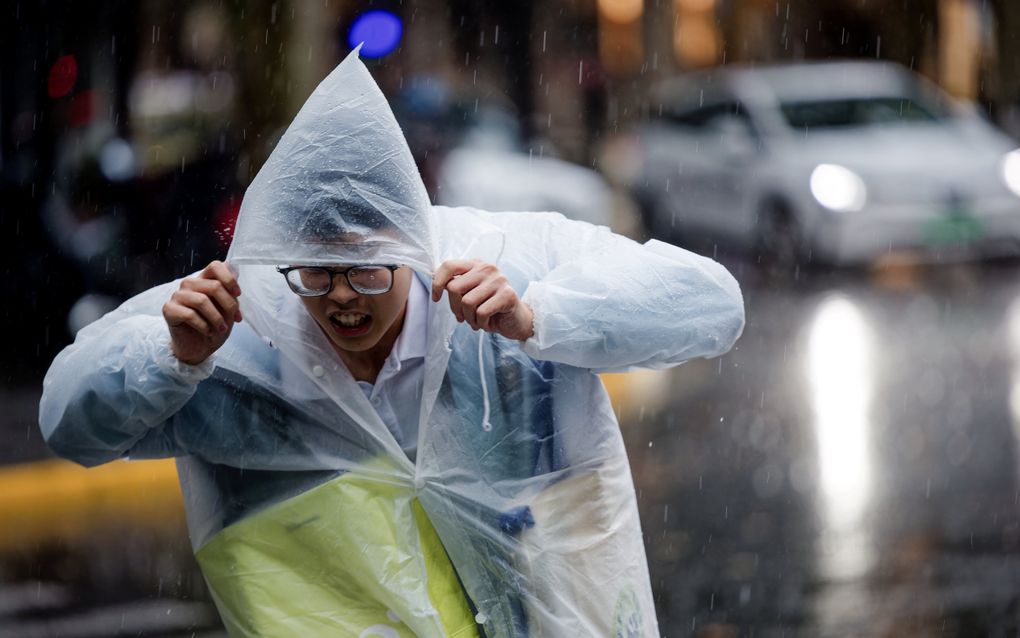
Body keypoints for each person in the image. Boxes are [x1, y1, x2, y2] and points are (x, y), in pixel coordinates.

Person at [39, 49, 745, 638]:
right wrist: (173, 357)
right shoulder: (235, 320)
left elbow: (711, 304)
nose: (342, 295)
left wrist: (536, 320)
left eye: (368, 270)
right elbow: (68, 421)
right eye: (315, 272)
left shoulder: (506, 262)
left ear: (413, 245)